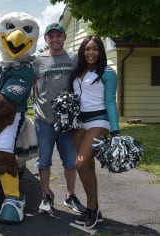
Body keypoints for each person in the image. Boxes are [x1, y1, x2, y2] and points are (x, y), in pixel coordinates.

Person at [32, 23, 86, 214]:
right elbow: (31, 83)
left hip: (67, 122)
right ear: (45, 39)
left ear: (64, 37)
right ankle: (46, 196)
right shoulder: (37, 61)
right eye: (51, 36)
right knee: (43, 161)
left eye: (58, 36)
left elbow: (84, 82)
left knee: (70, 161)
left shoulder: (73, 58)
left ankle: (70, 196)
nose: (55, 39)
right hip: (44, 119)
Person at [70, 35, 119, 229]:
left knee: (80, 164)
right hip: (78, 123)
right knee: (87, 167)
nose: (91, 52)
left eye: (95, 49)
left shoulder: (107, 72)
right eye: (87, 49)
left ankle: (91, 209)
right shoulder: (77, 72)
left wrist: (115, 130)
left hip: (99, 121)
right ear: (82, 51)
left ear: (101, 52)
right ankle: (95, 210)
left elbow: (110, 102)